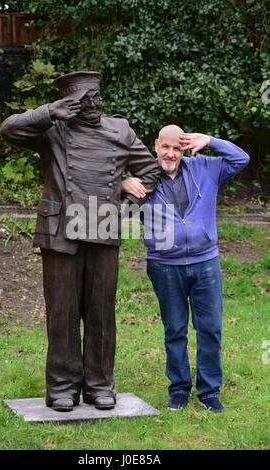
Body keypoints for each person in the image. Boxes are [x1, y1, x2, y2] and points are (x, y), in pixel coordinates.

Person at [0, 71, 160, 412]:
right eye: (84, 100)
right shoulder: (52, 130)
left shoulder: (120, 130)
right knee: (62, 312)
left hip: (103, 227)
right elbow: (8, 129)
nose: (93, 105)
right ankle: (61, 387)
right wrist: (49, 111)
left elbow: (150, 172)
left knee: (101, 313)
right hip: (60, 231)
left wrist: (121, 202)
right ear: (69, 102)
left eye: (97, 97)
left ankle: (100, 385)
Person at [122, 125, 250, 412]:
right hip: (165, 265)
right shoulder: (145, 177)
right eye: (166, 147)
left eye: (177, 149)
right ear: (156, 145)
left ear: (184, 149)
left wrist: (212, 140)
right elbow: (111, 202)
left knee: (210, 329)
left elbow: (241, 159)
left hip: (206, 262)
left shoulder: (205, 167)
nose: (171, 154)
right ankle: (179, 389)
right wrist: (121, 185)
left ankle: (209, 391)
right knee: (175, 329)